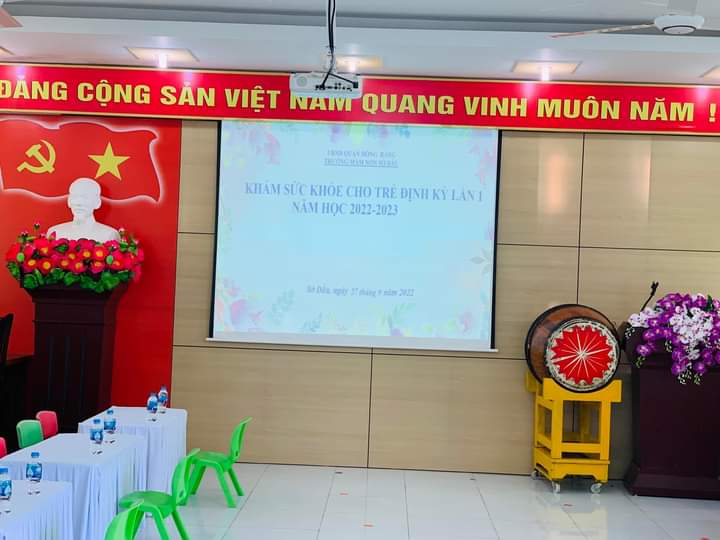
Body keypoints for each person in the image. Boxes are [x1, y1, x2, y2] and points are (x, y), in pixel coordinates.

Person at [47, 178, 120, 242]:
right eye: (75, 197)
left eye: (85, 198)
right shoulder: (55, 232)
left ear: (97, 202)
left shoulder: (109, 235)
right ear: (69, 201)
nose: (79, 203)